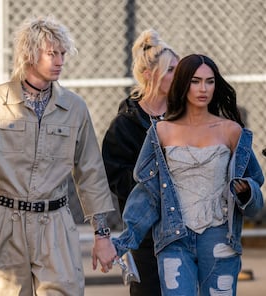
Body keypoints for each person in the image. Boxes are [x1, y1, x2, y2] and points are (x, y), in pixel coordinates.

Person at [0, 16, 117, 295]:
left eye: (62, 53)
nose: (60, 60)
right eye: (52, 53)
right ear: (29, 53)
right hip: (5, 225)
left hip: (55, 225)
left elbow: (90, 172)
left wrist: (102, 235)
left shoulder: (74, 107)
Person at [111, 54, 264, 296]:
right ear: (183, 84)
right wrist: (125, 241)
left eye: (210, 81)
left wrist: (246, 189)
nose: (203, 89)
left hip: (219, 237)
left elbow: (255, 182)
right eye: (195, 81)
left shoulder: (232, 131)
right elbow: (147, 193)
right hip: (173, 238)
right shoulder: (160, 132)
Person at [102, 29, 179, 295]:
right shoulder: (127, 122)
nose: (177, 77)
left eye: (178, 70)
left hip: (187, 227)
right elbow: (116, 177)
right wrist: (154, 186)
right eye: (170, 70)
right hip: (146, 233)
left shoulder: (188, 115)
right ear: (149, 75)